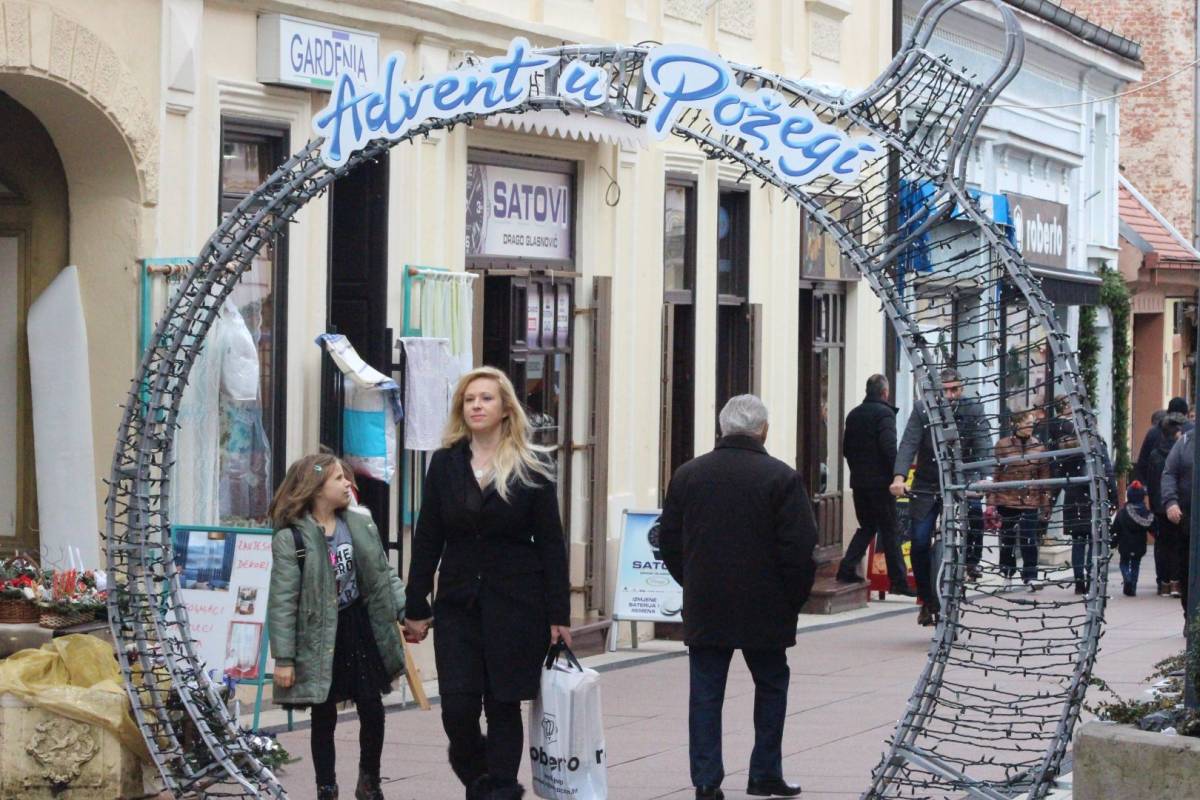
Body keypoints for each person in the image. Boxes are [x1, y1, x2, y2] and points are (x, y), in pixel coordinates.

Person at [405, 366, 571, 800]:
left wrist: (559, 614)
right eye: (469, 399)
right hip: (457, 602)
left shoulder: (533, 464)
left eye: (486, 398)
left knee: (502, 704)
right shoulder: (445, 464)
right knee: (457, 709)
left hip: (517, 603)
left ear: (505, 409)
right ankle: (487, 784)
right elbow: (428, 536)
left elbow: (551, 542)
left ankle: (499, 791)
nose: (476, 406)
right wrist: (416, 602)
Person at [659, 395, 817, 800]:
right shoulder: (782, 478)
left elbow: (668, 541)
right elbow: (800, 548)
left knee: (705, 693)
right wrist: (792, 599)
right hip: (766, 604)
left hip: (707, 602)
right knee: (771, 685)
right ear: (764, 430)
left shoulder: (688, 475)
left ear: (722, 427)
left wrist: (692, 582)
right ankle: (764, 772)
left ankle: (706, 780)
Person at [267, 454, 408, 800]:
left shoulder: (359, 523)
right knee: (323, 714)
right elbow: (283, 601)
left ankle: (369, 781)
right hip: (318, 634)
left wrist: (408, 610)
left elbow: (382, 575)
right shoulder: (292, 538)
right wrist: (284, 659)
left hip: (357, 626)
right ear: (316, 488)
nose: (348, 484)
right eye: (338, 479)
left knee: (372, 707)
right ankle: (326, 787)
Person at [890, 367, 992, 626]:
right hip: (927, 483)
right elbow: (908, 443)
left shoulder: (973, 409)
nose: (950, 395)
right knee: (919, 541)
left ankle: (970, 563)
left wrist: (986, 477)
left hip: (962, 480)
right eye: (945, 391)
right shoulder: (922, 409)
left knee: (974, 513)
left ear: (962, 389)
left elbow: (983, 443)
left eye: (955, 390)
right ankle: (926, 599)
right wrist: (899, 477)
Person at [837, 374, 913, 595]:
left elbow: (846, 449)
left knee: (867, 526)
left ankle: (846, 568)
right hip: (881, 484)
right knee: (890, 530)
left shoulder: (853, 414)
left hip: (859, 482)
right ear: (885, 393)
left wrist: (859, 470)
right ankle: (898, 582)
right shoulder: (884, 414)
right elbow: (889, 448)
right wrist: (898, 476)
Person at [989, 407, 1051, 591]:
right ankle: (1007, 574)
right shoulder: (1003, 445)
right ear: (1016, 424)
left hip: (1030, 500)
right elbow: (996, 474)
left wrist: (1046, 502)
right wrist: (992, 502)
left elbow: (1044, 476)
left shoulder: (1038, 446)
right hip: (1007, 499)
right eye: (1027, 423)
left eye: (1032, 423)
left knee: (1029, 539)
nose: (1030, 427)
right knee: (1007, 539)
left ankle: (1030, 576)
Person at [1147, 413, 1187, 596]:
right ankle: (1175, 582)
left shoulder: (1155, 454)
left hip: (1159, 506)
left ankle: (1162, 582)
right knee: (1178, 543)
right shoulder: (1180, 453)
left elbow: (1151, 482)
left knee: (1162, 544)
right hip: (1176, 504)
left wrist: (1153, 503)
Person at [1161, 420, 1195, 613]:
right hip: (1188, 519)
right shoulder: (1185, 442)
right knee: (1187, 569)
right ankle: (1190, 617)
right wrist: (1171, 502)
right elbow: (1169, 473)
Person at [1113, 481, 1153, 597]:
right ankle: (1133, 587)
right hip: (1139, 544)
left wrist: (1113, 542)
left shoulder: (1122, 512)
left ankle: (1127, 578)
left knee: (1124, 563)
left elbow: (1116, 528)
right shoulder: (1145, 513)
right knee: (1136, 565)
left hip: (1125, 544)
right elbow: (1152, 526)